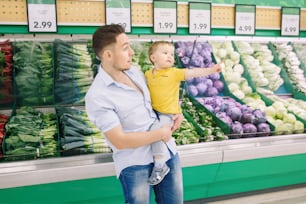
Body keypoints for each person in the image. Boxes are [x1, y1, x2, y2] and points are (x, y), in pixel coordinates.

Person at [85, 24, 184, 204]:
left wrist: (176, 111)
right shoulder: (97, 95)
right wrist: (161, 133)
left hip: (166, 152)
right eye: (125, 48)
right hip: (135, 162)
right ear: (108, 55)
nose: (131, 52)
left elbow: (157, 99)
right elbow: (119, 140)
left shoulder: (134, 72)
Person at [145, 41, 221, 185]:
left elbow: (193, 73)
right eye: (165, 53)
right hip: (153, 112)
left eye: (172, 54)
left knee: (158, 134)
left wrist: (211, 70)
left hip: (167, 114)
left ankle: (160, 165)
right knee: (154, 133)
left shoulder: (174, 73)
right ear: (153, 58)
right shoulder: (148, 74)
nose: (170, 57)